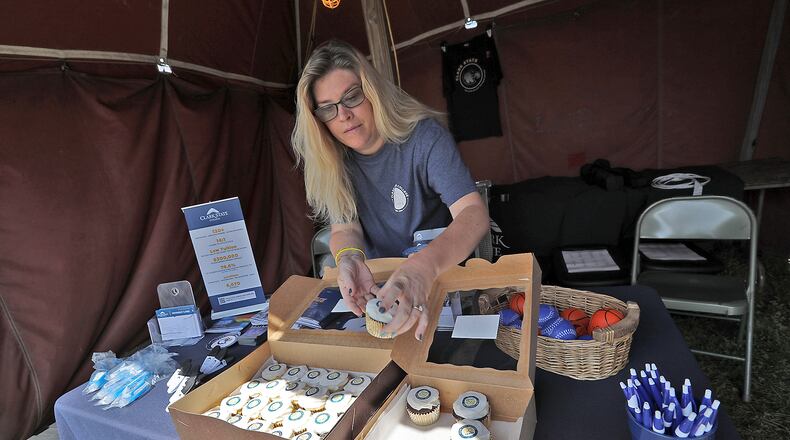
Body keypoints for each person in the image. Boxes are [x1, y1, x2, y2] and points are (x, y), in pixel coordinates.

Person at [291, 40, 488, 341]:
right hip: (380, 296)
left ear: (373, 92)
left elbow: (473, 215)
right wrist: (349, 258)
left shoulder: (424, 138)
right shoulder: (332, 160)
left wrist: (422, 268)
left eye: (352, 97)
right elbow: (344, 228)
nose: (343, 115)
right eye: (328, 109)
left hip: (440, 286)